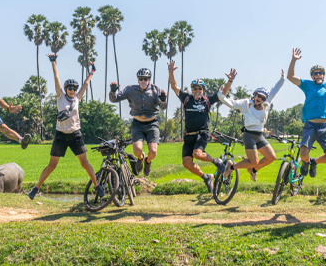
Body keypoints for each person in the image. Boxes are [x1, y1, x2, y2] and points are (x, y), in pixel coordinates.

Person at [28, 54, 101, 200]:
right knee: (52, 165)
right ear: (66, 88)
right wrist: (53, 62)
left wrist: (92, 71)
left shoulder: (77, 98)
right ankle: (36, 188)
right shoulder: (60, 97)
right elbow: (56, 78)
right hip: (60, 136)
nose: (73, 90)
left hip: (75, 135)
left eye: (75, 88)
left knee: (85, 163)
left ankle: (97, 186)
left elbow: (86, 83)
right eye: (70, 88)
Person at [168, 59, 237, 192]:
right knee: (186, 162)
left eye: (200, 88)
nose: (197, 90)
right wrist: (171, 72)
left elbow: (223, 94)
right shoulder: (186, 98)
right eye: (195, 88)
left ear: (203, 90)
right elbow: (174, 86)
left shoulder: (207, 100)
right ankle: (206, 177)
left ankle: (216, 162)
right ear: (192, 89)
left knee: (198, 154)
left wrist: (230, 81)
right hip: (189, 135)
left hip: (202, 133)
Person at [286, 48, 326, 179]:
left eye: (321, 73)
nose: (318, 75)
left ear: (324, 75)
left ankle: (313, 162)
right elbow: (290, 77)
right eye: (315, 73)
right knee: (303, 153)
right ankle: (306, 162)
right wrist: (293, 60)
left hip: (324, 127)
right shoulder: (307, 84)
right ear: (312, 76)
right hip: (310, 125)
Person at [219, 70, 285, 182]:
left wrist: (282, 78)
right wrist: (221, 95)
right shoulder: (245, 103)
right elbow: (230, 103)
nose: (260, 99)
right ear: (254, 94)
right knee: (253, 161)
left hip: (259, 135)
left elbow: (275, 89)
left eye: (263, 98)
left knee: (271, 157)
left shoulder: (266, 102)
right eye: (258, 96)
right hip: (249, 135)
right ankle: (231, 167)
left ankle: (253, 171)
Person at [109, 68, 167, 177]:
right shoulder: (130, 90)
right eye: (141, 79)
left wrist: (163, 101)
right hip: (138, 124)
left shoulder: (155, 90)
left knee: (153, 152)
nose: (143, 81)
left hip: (152, 124)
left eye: (145, 79)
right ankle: (140, 158)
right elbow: (114, 99)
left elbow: (163, 107)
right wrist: (113, 91)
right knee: (137, 150)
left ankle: (147, 161)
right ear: (138, 79)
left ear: (149, 79)